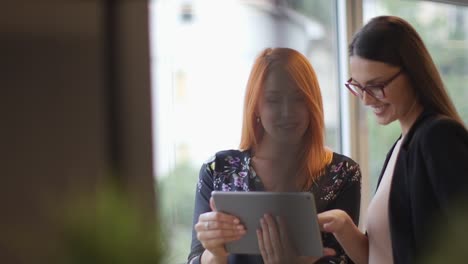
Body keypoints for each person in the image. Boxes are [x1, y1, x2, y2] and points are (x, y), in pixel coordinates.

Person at [187, 47, 362, 264]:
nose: (287, 112)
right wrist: (215, 252)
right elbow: (196, 258)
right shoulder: (218, 170)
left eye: (299, 99)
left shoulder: (341, 173)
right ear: (256, 107)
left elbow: (348, 259)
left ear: (312, 103)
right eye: (273, 100)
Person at [319, 15, 468, 264]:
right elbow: (380, 256)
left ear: (412, 73)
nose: (366, 100)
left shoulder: (437, 138)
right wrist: (344, 226)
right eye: (359, 86)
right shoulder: (400, 146)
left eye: (376, 86)